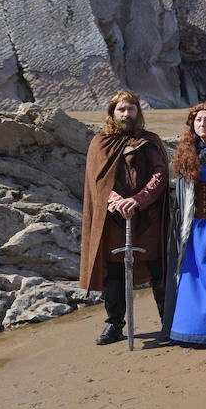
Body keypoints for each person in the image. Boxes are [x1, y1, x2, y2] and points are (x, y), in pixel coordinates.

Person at [80, 90, 169, 345]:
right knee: (115, 273)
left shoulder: (149, 141)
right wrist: (116, 200)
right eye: (121, 109)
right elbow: (96, 180)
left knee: (158, 268)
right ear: (112, 112)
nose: (126, 114)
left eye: (131, 109)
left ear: (137, 112)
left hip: (148, 217)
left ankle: (167, 322)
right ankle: (115, 325)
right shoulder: (100, 143)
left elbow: (160, 175)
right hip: (115, 220)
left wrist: (138, 200)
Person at [163, 104, 206, 344]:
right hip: (191, 229)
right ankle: (188, 330)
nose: (202, 124)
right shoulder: (185, 154)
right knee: (190, 277)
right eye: (198, 120)